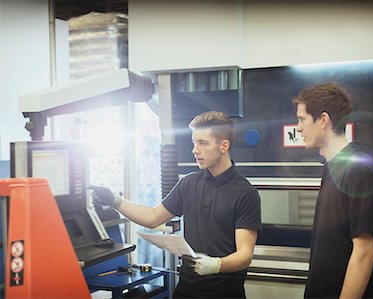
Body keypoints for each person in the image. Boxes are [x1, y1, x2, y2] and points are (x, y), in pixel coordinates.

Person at [88, 111, 261, 299]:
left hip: (225, 293)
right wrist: (115, 201)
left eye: (203, 143)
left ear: (223, 146)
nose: (195, 150)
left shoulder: (245, 193)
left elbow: (245, 254)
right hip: (186, 290)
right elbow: (153, 217)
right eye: (194, 142)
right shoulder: (188, 183)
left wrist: (216, 265)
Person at [291, 83, 373, 298]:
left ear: (323, 120)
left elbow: (364, 253)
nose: (298, 128)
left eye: (301, 119)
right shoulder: (333, 168)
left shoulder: (358, 171)